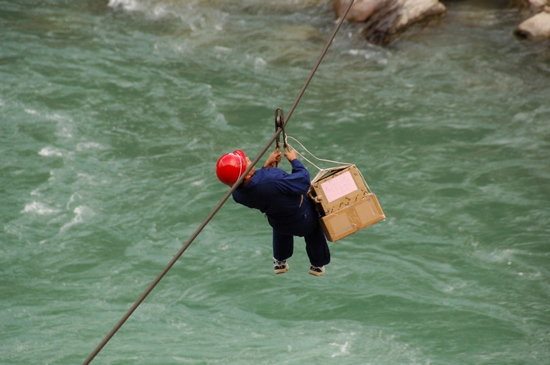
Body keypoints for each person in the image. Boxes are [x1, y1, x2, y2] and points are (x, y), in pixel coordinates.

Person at [216, 148, 331, 276]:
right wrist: (294, 161)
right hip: (303, 220)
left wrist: (265, 167)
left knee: (280, 222)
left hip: (279, 223)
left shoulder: (237, 195)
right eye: (246, 161)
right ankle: (317, 264)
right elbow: (302, 182)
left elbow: (256, 186)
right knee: (314, 229)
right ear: (247, 175)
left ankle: (280, 260)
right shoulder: (273, 179)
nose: (249, 159)